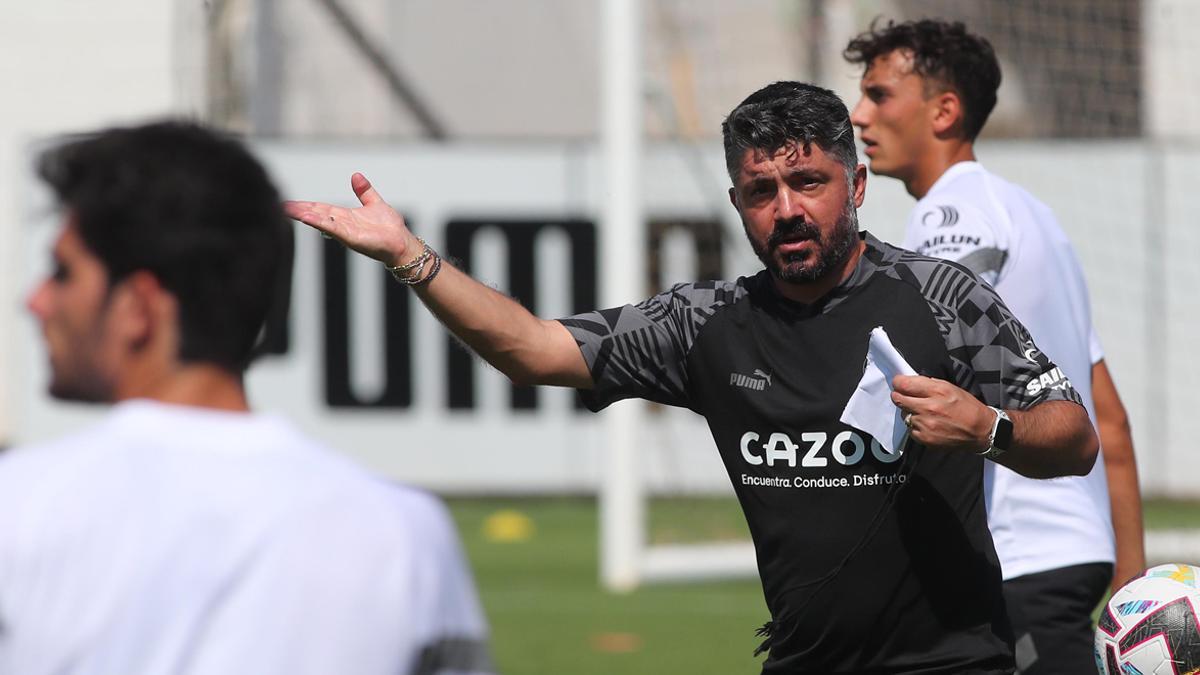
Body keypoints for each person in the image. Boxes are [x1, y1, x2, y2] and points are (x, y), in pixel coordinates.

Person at [287, 82, 1099, 674]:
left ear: (854, 186)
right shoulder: (705, 322)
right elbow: (533, 348)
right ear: (738, 203)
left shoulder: (941, 297)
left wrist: (987, 428)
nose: (786, 209)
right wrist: (413, 261)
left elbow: (1074, 436)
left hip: (956, 663)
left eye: (808, 183)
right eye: (761, 191)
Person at [0, 121, 493, 675]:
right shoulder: (405, 533)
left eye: (63, 272)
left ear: (139, 307)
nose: (36, 301)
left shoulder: (19, 506)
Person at [844, 18, 1145, 675]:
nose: (858, 114)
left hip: (1018, 556)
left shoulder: (952, 218)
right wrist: (1128, 575)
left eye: (879, 94)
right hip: (1073, 551)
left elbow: (929, 367)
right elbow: (1110, 419)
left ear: (944, 110)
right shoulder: (1037, 218)